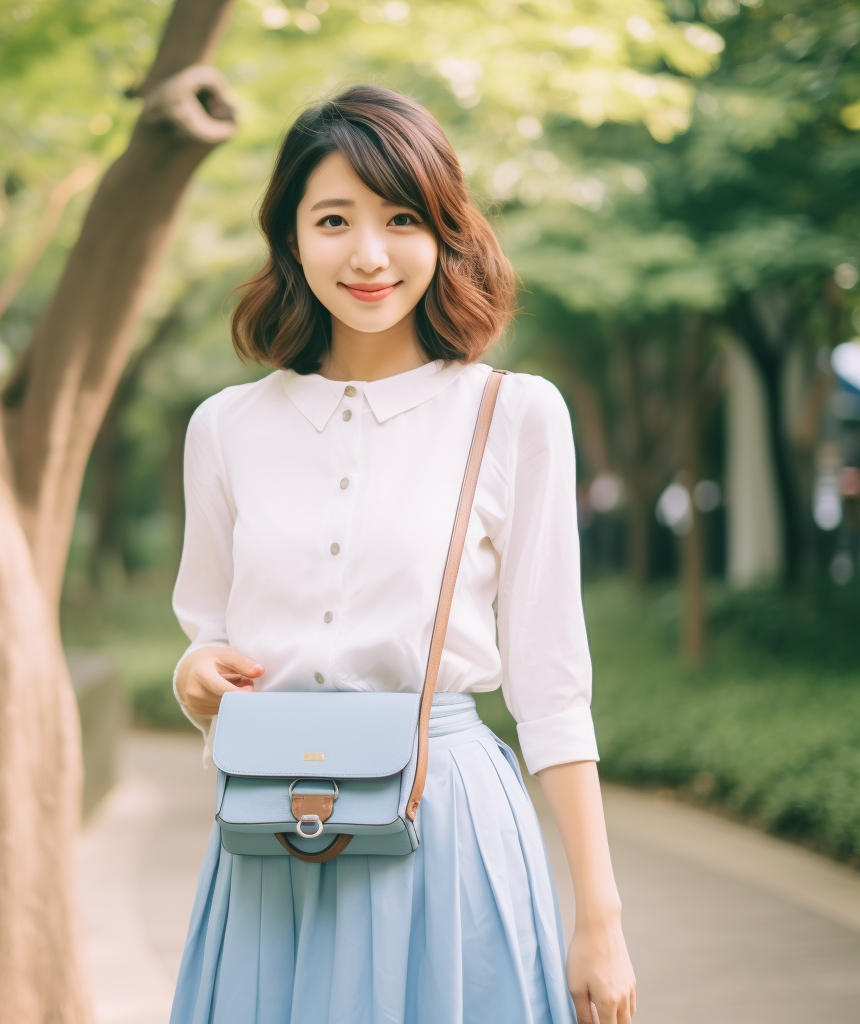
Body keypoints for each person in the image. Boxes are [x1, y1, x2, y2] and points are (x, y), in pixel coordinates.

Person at [168, 83, 636, 1024]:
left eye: (401, 218)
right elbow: (207, 633)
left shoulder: (512, 414)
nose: (370, 255)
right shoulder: (225, 428)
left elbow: (550, 688)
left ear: (443, 233)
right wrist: (195, 677)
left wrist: (601, 915)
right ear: (291, 237)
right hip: (274, 834)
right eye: (333, 219)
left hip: (448, 827)